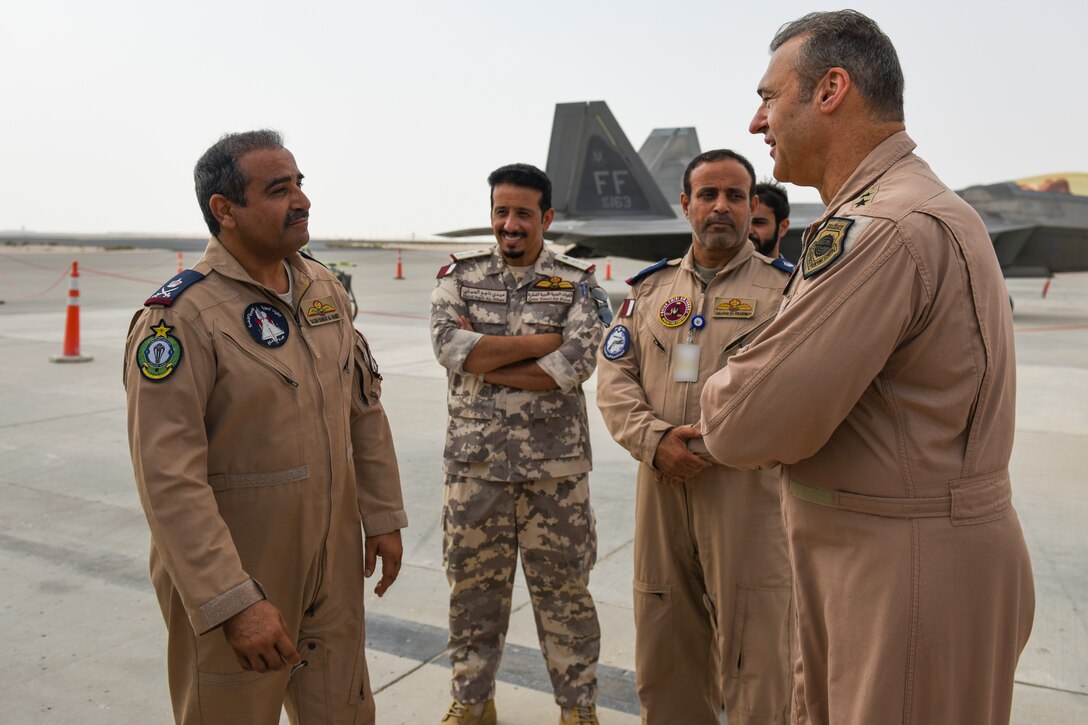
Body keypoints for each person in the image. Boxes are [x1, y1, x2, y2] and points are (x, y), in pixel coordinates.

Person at [698, 11, 1035, 724]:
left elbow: (744, 422)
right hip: (896, 558)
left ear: (830, 90)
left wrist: (726, 387)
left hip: (900, 572)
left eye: (769, 97)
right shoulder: (912, 207)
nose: (757, 122)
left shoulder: (883, 228)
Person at [124, 130, 407, 725]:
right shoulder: (181, 319)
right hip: (241, 573)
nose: (302, 201)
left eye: (300, 184)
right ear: (224, 209)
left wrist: (382, 516)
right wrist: (232, 601)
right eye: (279, 190)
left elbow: (363, 408)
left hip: (333, 566)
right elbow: (167, 478)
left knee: (346, 713)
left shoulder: (323, 289)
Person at [596, 149, 794, 724]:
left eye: (735, 196)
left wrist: (705, 447)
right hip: (661, 487)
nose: (721, 207)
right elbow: (614, 376)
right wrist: (654, 441)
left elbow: (796, 388)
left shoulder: (789, 292)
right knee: (665, 644)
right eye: (708, 194)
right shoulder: (649, 291)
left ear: (753, 207)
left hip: (747, 494)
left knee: (758, 653)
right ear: (686, 204)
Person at [430, 163, 608, 725]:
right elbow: (448, 346)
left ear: (546, 218)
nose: (510, 224)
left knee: (566, 595)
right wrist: (540, 343)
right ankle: (472, 701)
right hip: (475, 469)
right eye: (501, 211)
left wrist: (484, 360)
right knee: (472, 592)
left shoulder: (577, 283)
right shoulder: (461, 277)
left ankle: (578, 710)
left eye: (523, 213)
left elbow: (574, 363)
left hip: (555, 474)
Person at [750, 180, 791, 258]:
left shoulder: (802, 266)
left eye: (758, 222)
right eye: (745, 223)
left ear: (783, 227)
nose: (749, 230)